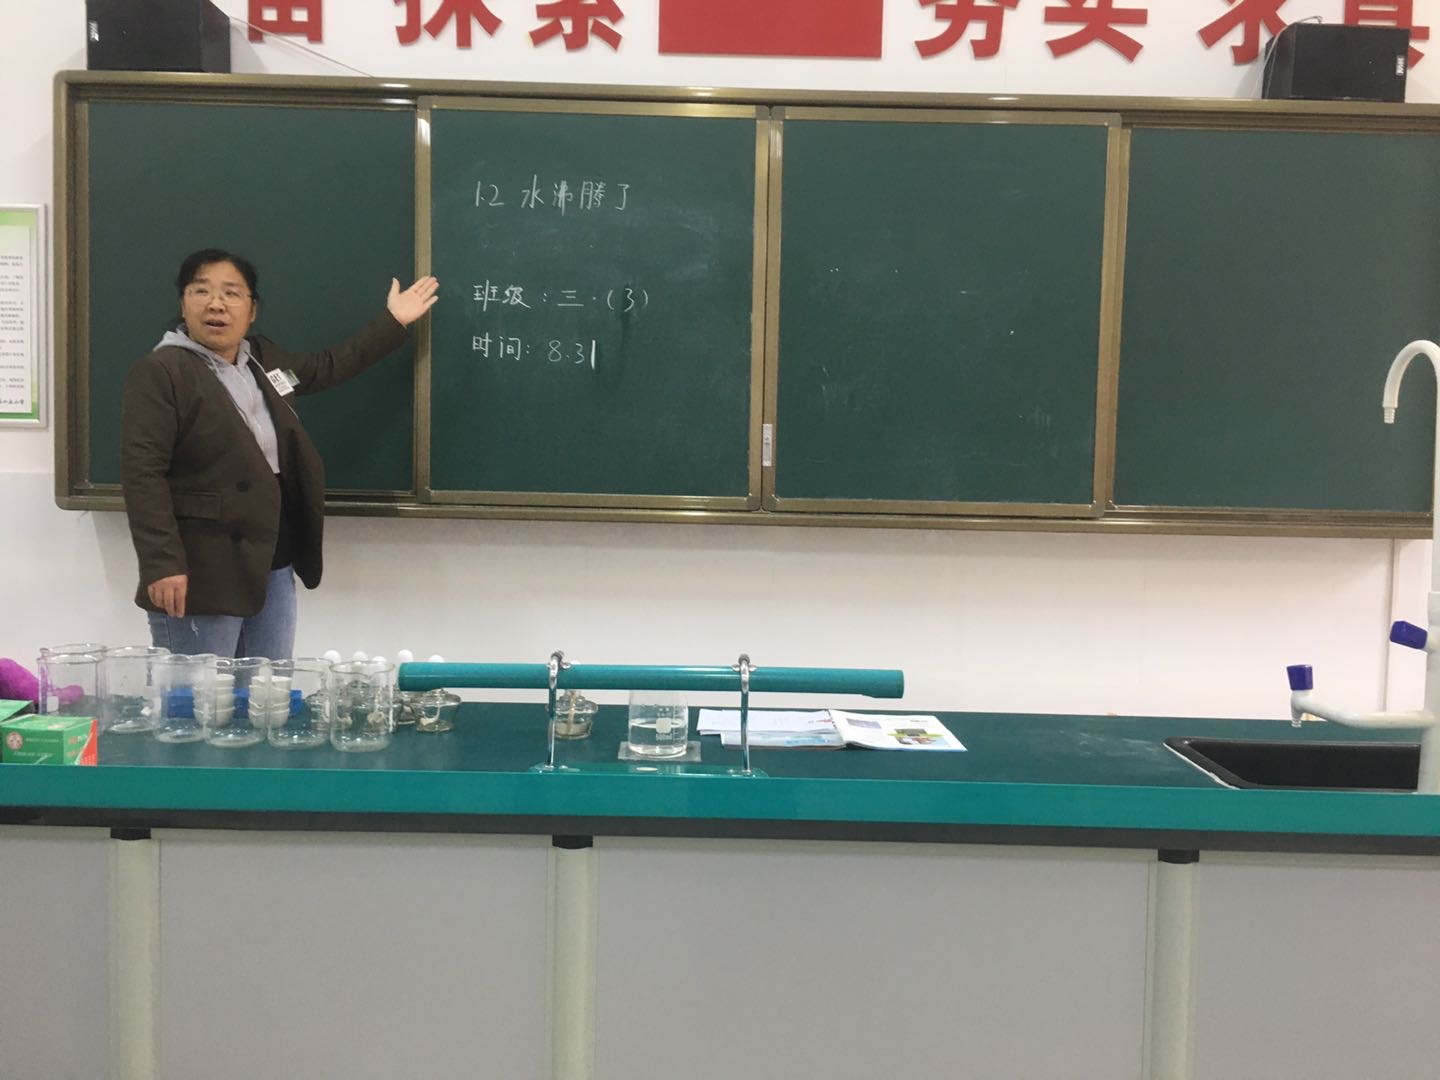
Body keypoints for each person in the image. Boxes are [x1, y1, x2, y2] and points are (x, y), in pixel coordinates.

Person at [120, 248, 439, 660]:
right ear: (183, 304)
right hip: (203, 567)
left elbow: (327, 366)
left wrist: (394, 321)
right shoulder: (162, 372)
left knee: (268, 689)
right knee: (198, 694)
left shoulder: (263, 360)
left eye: (231, 293)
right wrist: (162, 563)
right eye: (201, 291)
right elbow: (143, 474)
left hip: (271, 560)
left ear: (252, 309)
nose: (216, 304)